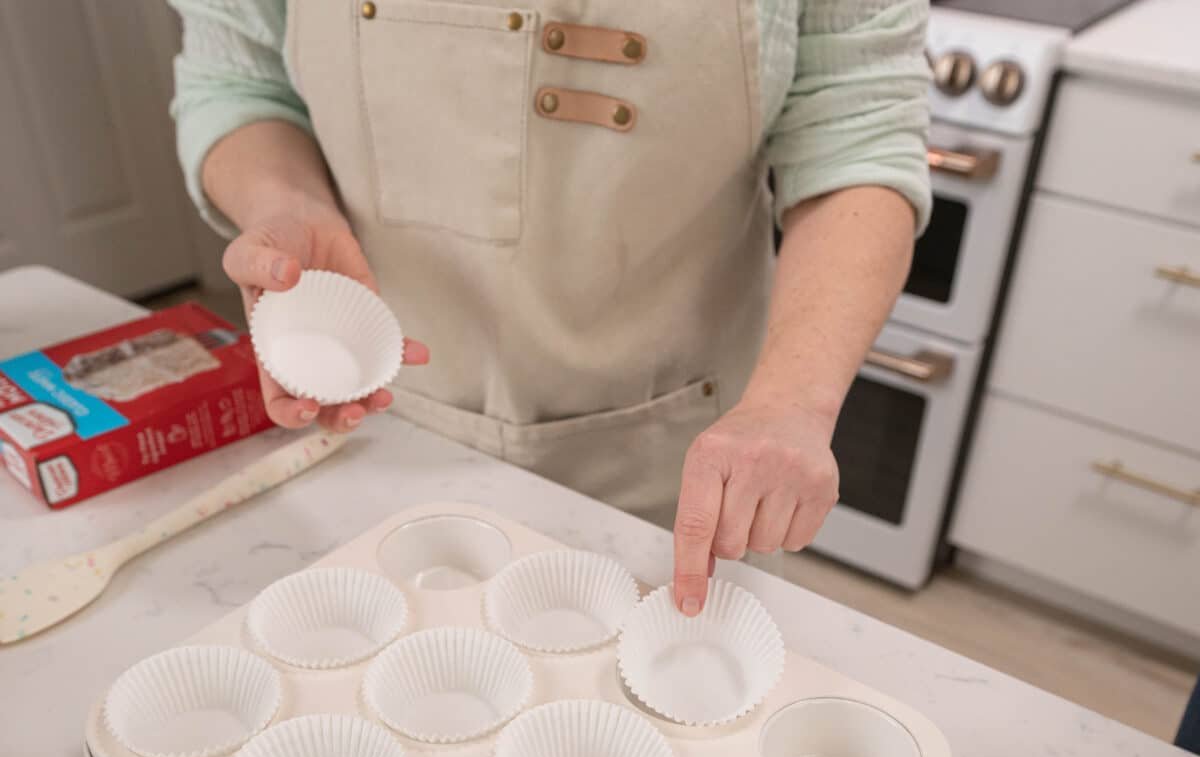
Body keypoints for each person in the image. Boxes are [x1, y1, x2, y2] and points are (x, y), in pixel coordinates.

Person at [170, 0, 930, 613]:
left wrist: (792, 402)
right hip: (385, 431)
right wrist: (286, 203)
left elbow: (857, 132)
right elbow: (240, 78)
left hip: (678, 465)